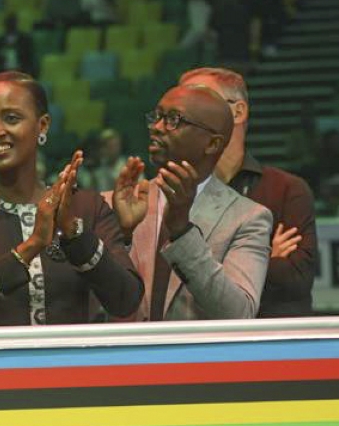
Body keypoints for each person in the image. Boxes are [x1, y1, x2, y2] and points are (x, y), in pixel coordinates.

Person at [0, 71, 143, 326]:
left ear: (42, 125)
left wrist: (74, 235)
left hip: (70, 354)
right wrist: (30, 247)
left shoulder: (86, 207)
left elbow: (126, 300)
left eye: (11, 118)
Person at [110, 84, 272, 321]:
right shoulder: (116, 202)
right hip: (123, 346)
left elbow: (238, 313)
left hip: (192, 347)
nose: (157, 127)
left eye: (174, 120)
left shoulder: (247, 218)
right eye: (157, 117)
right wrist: (123, 236)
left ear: (212, 144)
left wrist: (182, 232)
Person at [178, 67, 317, 318]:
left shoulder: (287, 189)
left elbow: (297, 279)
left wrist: (204, 269)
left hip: (269, 336)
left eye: (203, 100)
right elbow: (168, 282)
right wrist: (261, 257)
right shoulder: (175, 189)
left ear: (238, 112)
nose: (186, 114)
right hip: (200, 336)